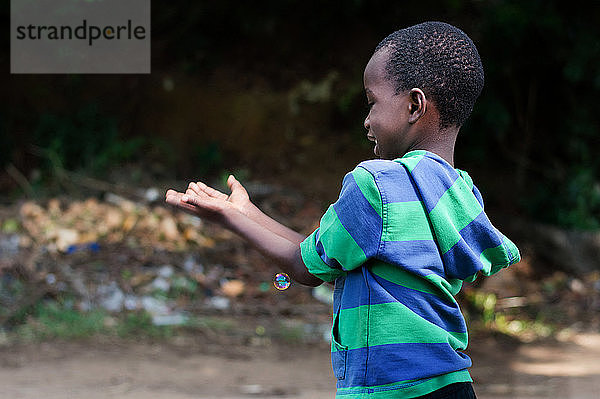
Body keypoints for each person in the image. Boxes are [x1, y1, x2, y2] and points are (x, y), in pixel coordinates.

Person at [166, 21, 520, 398]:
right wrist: (248, 210)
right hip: (451, 385)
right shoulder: (460, 193)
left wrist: (230, 218)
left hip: (388, 390)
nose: (367, 120)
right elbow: (322, 254)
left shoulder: (376, 185)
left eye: (372, 103)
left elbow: (306, 268)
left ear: (414, 105)